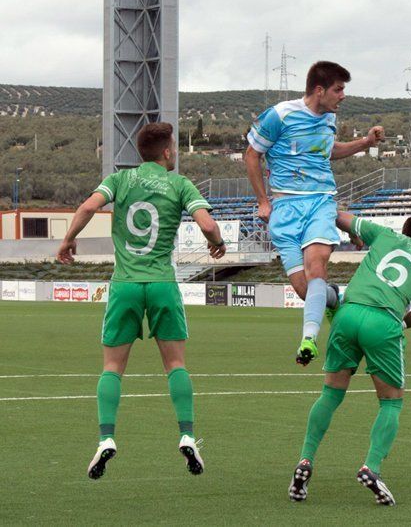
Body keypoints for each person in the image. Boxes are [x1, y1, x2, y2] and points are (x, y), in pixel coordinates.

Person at [56, 122, 226, 479]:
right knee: (176, 364)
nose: (175, 153)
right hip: (162, 283)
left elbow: (88, 207)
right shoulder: (179, 184)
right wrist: (217, 241)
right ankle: (187, 434)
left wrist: (69, 238)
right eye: (175, 148)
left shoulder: (120, 180)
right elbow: (207, 224)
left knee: (112, 368)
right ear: (166, 152)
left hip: (126, 284)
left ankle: (106, 439)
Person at [288, 212, 411, 506]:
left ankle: (305, 460)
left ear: (405, 231)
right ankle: (371, 468)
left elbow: (338, 216)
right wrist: (397, 323)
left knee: (330, 395)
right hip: (383, 322)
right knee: (391, 401)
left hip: (349, 313)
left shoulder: (384, 234)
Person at [245, 61, 385, 365]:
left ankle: (308, 339)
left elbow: (329, 151)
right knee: (304, 289)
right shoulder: (280, 115)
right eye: (338, 89)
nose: (343, 96)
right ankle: (337, 301)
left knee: (316, 265)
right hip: (284, 206)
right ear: (319, 90)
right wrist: (262, 201)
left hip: (320, 202)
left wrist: (366, 142)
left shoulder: (329, 120)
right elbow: (252, 154)